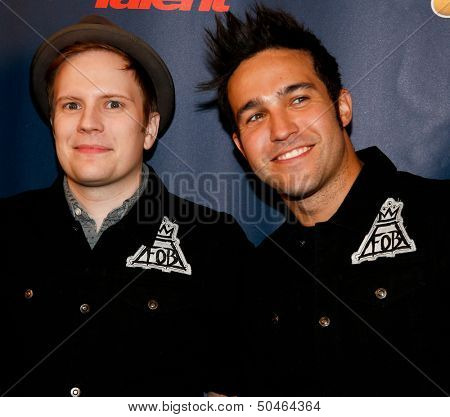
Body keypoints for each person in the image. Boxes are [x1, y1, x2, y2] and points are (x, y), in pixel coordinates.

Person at [201, 5, 450, 396]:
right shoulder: (256, 276)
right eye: (254, 116)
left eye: (298, 99)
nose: (281, 130)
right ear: (240, 146)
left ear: (342, 106)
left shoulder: (441, 217)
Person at [0, 15, 250, 397]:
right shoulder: (5, 229)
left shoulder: (214, 242)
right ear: (53, 122)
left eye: (113, 104)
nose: (88, 123)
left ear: (149, 128)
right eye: (71, 105)